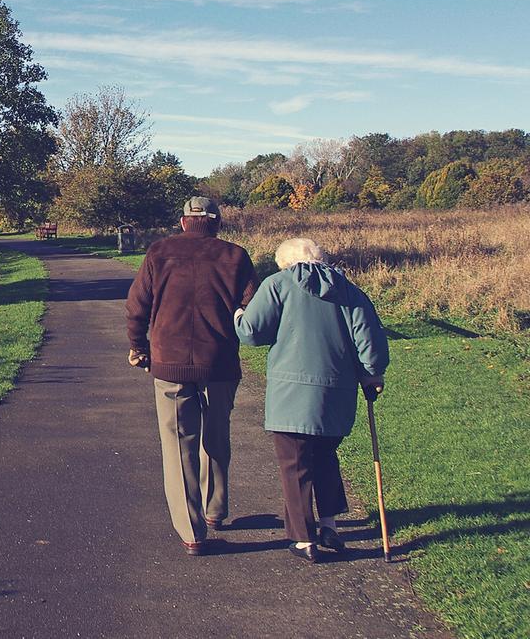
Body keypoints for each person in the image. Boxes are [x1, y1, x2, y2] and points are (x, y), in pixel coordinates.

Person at [234, 238, 388, 563]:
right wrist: (372, 375)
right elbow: (369, 343)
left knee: (295, 464)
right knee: (325, 456)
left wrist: (237, 314)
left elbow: (251, 332)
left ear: (285, 263)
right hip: (337, 394)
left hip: (291, 395)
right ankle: (329, 524)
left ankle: (304, 539)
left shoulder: (278, 285)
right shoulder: (350, 291)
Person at [125, 197, 259, 555]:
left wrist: (139, 347)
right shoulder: (235, 256)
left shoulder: (159, 252)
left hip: (169, 362)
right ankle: (215, 510)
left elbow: (136, 305)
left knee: (178, 446)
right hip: (220, 363)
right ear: (216, 223)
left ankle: (192, 531)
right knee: (216, 437)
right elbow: (252, 307)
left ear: (184, 222)